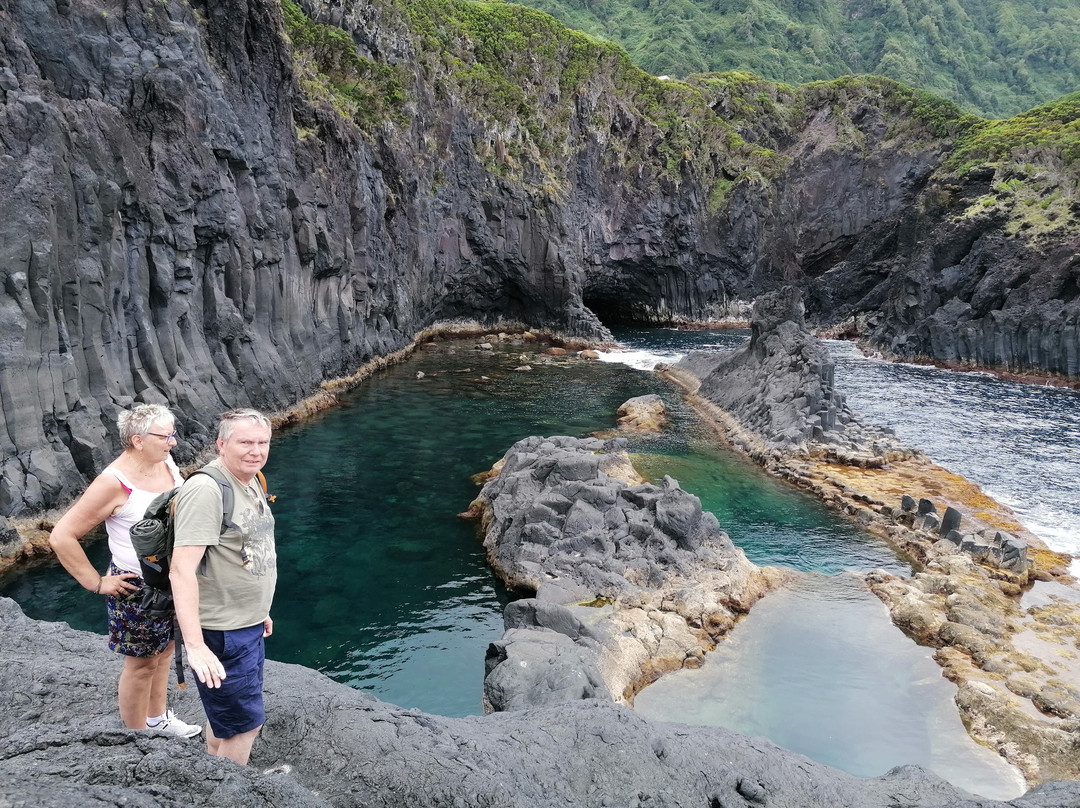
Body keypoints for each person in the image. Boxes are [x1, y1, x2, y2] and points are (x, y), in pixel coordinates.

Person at [49, 403, 202, 738]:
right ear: (137, 440)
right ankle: (136, 737)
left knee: (164, 652)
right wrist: (96, 582)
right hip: (137, 589)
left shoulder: (165, 462)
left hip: (171, 581)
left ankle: (157, 719)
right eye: (166, 436)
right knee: (141, 664)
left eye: (172, 434)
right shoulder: (114, 483)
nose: (173, 442)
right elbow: (61, 536)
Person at [170, 408, 277, 765]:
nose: (256, 450)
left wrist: (260, 610)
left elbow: (246, 550)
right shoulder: (206, 489)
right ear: (221, 444)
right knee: (244, 727)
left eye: (262, 442)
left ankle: (210, 778)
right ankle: (227, 793)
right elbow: (180, 571)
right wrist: (196, 647)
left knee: (227, 722)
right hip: (221, 633)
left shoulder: (251, 480)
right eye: (245, 442)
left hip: (245, 624)